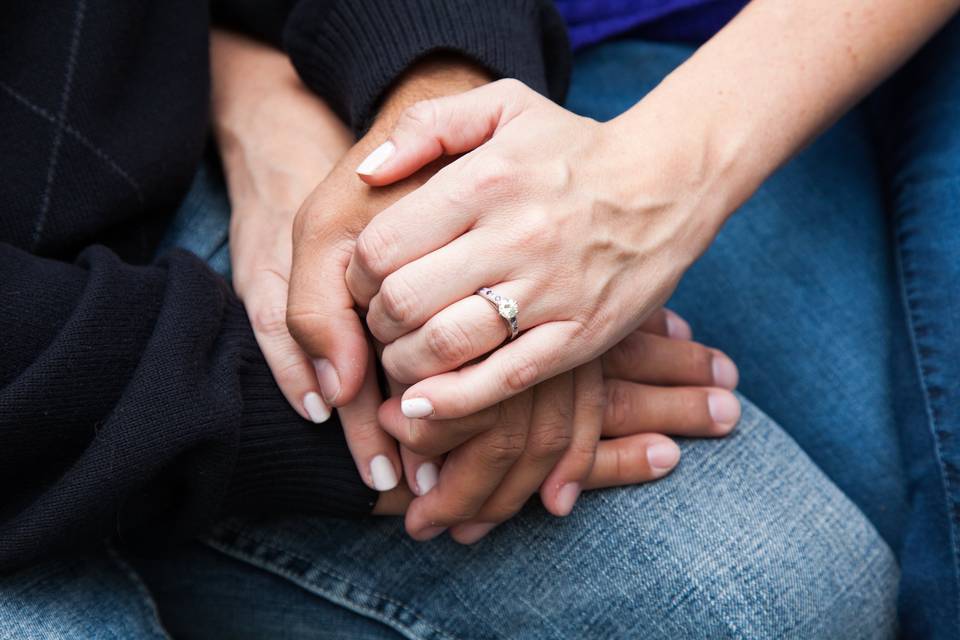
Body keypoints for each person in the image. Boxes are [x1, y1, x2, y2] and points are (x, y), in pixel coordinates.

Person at [0, 1, 900, 639]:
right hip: (60, 362)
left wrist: (435, 100)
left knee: (776, 591)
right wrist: (358, 410)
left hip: (140, 163)